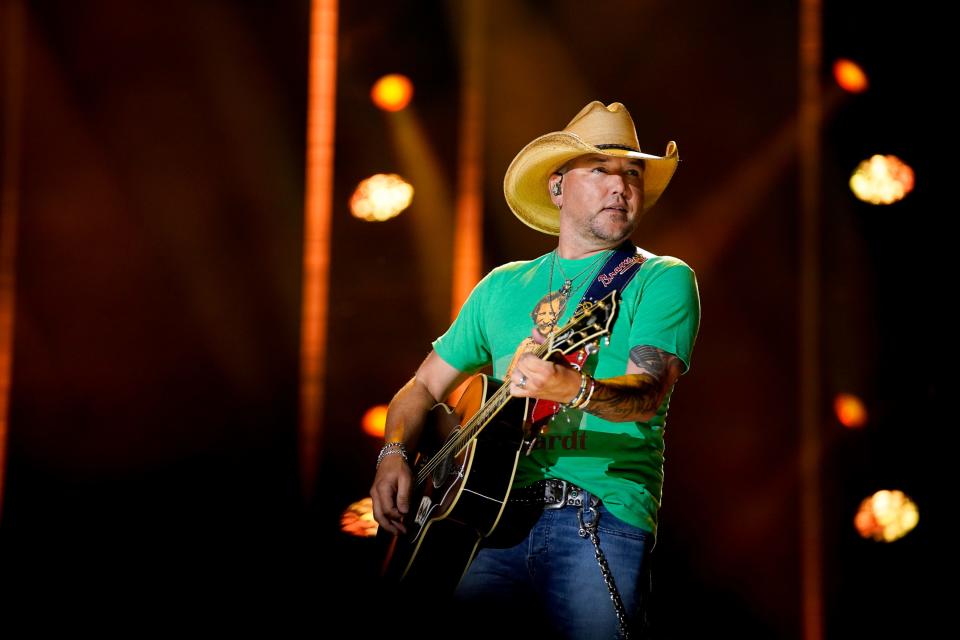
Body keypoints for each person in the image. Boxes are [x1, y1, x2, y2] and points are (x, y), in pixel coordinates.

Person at [370, 101, 700, 638]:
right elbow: (420, 388)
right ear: (557, 187)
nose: (620, 187)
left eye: (632, 173)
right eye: (601, 170)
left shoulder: (659, 278)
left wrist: (570, 385)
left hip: (596, 515)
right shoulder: (502, 285)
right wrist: (393, 453)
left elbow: (647, 394)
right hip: (482, 524)